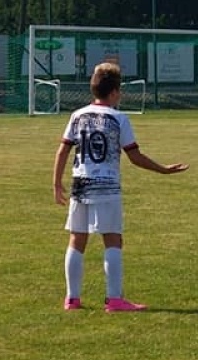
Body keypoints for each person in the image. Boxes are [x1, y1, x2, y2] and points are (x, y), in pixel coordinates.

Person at [52, 61, 188, 312]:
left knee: (76, 240)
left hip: (80, 183)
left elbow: (63, 150)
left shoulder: (77, 115)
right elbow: (134, 157)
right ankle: (114, 299)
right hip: (106, 186)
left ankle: (72, 299)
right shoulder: (119, 118)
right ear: (114, 92)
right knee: (113, 240)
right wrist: (164, 170)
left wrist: (56, 183)